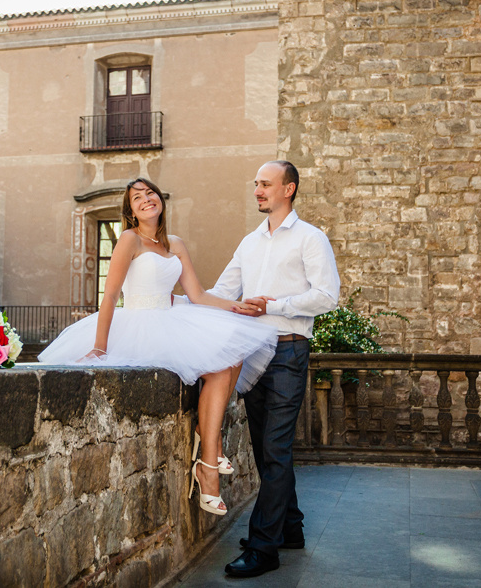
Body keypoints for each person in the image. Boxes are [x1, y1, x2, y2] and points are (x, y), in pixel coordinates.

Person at [38, 177, 278, 516]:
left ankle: (207, 439)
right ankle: (209, 462)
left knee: (232, 354)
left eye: (149, 193)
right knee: (220, 369)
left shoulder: (175, 243)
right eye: (137, 198)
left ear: (159, 199)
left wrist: (238, 306)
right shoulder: (129, 239)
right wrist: (100, 347)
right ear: (131, 211)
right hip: (140, 324)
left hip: (171, 317)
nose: (146, 199)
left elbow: (198, 295)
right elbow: (110, 295)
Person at [217, 161, 340, 579]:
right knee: (264, 447)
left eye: (266, 184)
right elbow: (223, 292)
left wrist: (275, 306)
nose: (258, 190)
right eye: (256, 184)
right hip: (253, 353)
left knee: (274, 447)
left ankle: (263, 547)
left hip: (288, 350)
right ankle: (290, 528)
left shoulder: (310, 237)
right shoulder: (249, 243)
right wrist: (179, 301)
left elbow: (327, 296)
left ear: (289, 189)